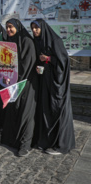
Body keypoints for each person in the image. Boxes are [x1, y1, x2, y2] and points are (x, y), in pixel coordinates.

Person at [31, 19, 75, 155]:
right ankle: (47, 141)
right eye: (32, 28)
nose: (34, 31)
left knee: (56, 110)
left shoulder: (55, 41)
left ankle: (60, 145)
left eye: (36, 28)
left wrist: (48, 59)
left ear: (43, 28)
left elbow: (64, 62)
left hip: (57, 84)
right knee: (46, 111)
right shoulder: (39, 42)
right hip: (45, 82)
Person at [1, 18, 37, 157]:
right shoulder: (8, 42)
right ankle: (11, 140)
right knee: (13, 110)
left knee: (26, 114)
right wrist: (5, 75)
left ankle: (25, 144)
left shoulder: (27, 42)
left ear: (17, 27)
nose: (8, 30)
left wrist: (15, 77)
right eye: (7, 27)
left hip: (26, 83)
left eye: (11, 27)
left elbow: (26, 64)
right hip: (12, 83)